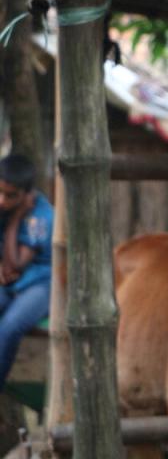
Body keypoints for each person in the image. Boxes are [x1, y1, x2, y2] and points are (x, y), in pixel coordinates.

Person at [0, 154, 53, 392]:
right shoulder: (3, 203)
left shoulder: (39, 216)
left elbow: (17, 263)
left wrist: (17, 218)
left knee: (10, 326)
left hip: (40, 282)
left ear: (26, 196)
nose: (2, 200)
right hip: (9, 282)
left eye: (11, 196)